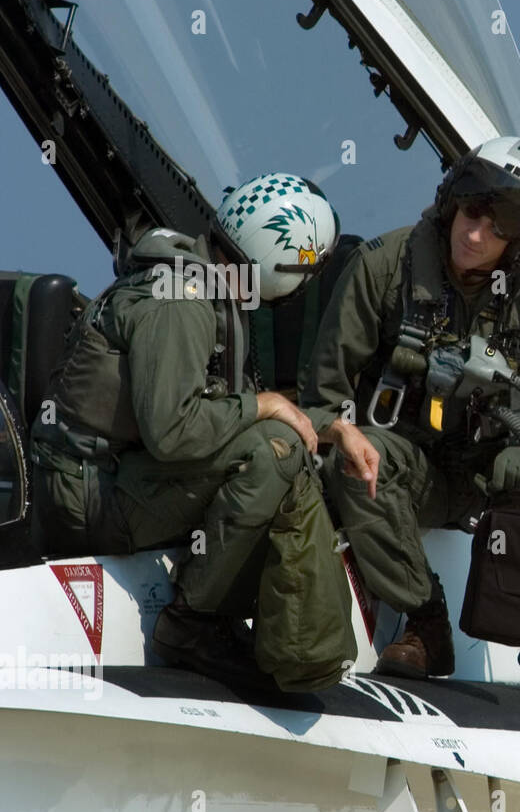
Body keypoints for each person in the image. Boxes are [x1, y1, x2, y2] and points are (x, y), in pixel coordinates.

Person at [301, 136, 520, 721]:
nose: (473, 236)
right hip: (422, 469)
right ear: (451, 203)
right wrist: (346, 434)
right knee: (360, 460)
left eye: (494, 229)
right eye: (470, 214)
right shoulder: (385, 268)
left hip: (509, 471)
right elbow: (323, 399)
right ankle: (424, 623)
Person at [31, 173, 353, 692]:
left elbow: (223, 408)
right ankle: (193, 625)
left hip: (100, 478)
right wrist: (266, 406)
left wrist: (332, 427)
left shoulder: (203, 283)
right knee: (276, 451)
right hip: (89, 499)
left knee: (280, 434)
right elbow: (175, 433)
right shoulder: (183, 301)